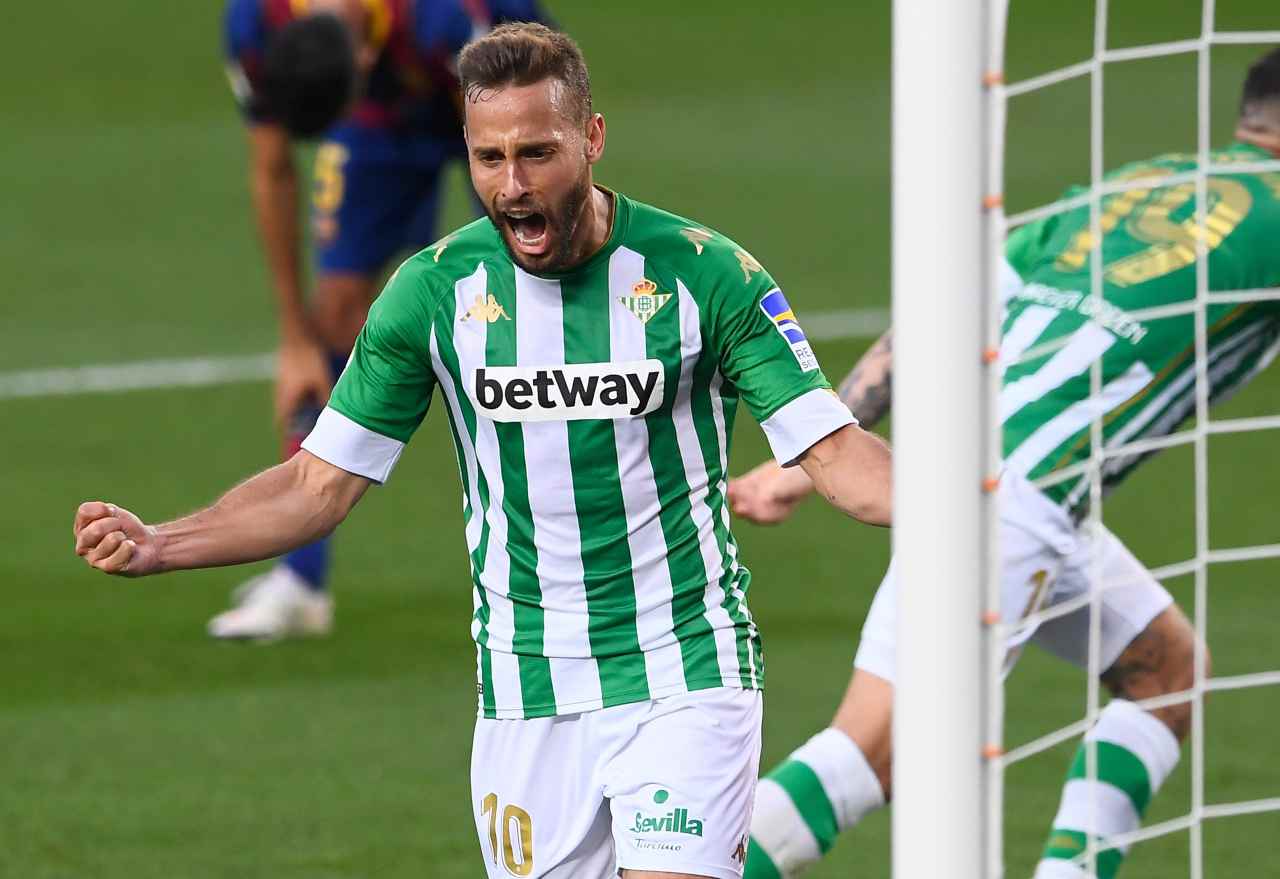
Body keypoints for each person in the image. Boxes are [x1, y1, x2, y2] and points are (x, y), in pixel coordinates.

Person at [74, 23, 893, 879]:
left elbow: (834, 453)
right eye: (489, 159)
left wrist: (966, 505)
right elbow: (317, 486)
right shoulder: (432, 293)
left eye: (537, 154)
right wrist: (163, 542)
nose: (512, 186)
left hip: (685, 670)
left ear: (593, 138)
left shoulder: (707, 275)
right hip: (525, 693)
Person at [728, 47, 1280, 879]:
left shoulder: (1138, 183)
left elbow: (952, 303)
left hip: (995, 474)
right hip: (1010, 500)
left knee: (1166, 669)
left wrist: (812, 460)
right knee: (869, 756)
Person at [213, 0, 547, 640]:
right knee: (334, 316)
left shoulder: (440, 21)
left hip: (504, 90)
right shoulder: (255, 23)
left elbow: (514, 166)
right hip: (392, 109)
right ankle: (302, 582)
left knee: (541, 273)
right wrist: (294, 338)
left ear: (365, 57)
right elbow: (273, 167)